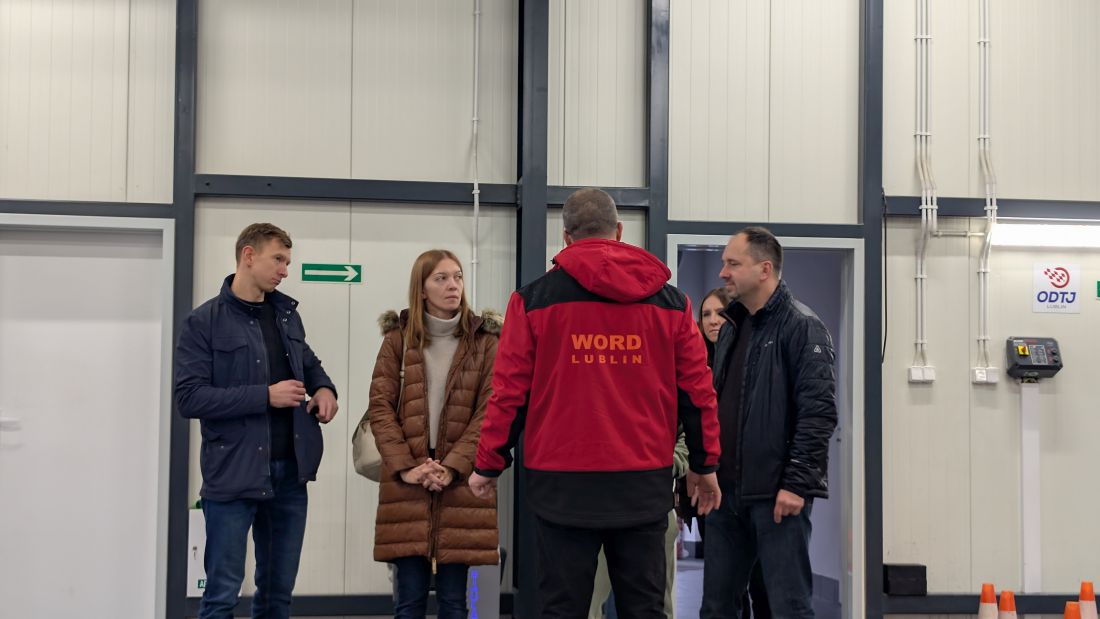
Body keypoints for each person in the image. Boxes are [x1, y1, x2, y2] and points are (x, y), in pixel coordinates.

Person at [468, 187, 723, 619]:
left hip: (561, 487)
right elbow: (697, 392)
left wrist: (489, 464)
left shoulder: (531, 302)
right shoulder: (672, 304)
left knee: (562, 608)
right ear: (619, 231)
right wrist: (705, 463)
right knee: (645, 609)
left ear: (566, 238)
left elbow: (509, 393)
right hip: (642, 484)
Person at [174, 223, 339, 619]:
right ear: (248, 256)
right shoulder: (203, 322)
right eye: (278, 259)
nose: (285, 270)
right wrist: (264, 395)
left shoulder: (286, 316)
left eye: (288, 262)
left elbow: (310, 363)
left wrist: (325, 389)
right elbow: (190, 397)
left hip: (289, 476)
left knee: (277, 596)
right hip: (232, 474)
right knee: (221, 596)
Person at [700, 227, 837, 619]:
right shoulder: (732, 326)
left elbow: (818, 413)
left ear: (764, 269)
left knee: (787, 608)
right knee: (716, 609)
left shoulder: (802, 326)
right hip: (726, 495)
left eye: (733, 263)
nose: (723, 272)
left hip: (777, 498)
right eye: (723, 263)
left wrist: (796, 484)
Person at [367, 249, 500, 619]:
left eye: (457, 276)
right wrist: (407, 468)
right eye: (441, 278)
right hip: (407, 478)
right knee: (408, 601)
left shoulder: (485, 341)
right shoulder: (398, 339)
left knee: (455, 602)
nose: (453, 285)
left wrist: (452, 467)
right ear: (422, 289)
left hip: (461, 478)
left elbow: (490, 411)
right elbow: (380, 407)